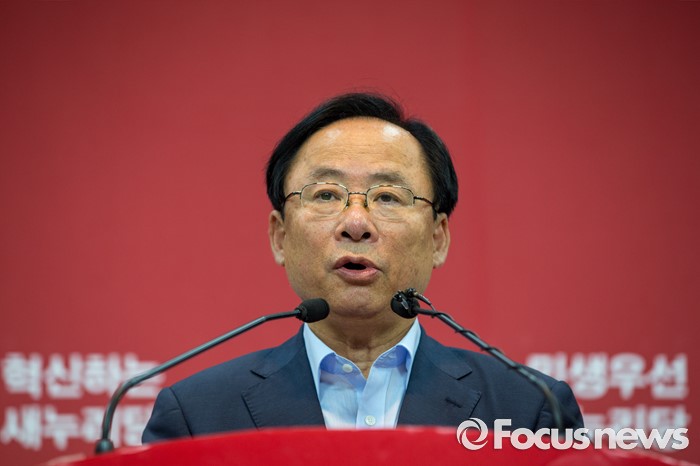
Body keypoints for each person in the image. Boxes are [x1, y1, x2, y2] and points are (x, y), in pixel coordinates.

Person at [142, 92, 583, 442]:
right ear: (280, 236)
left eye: (388, 197)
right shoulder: (197, 416)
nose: (356, 223)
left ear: (438, 239)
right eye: (326, 195)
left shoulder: (529, 410)